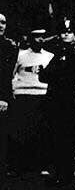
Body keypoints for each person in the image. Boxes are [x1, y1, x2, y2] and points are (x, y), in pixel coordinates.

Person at [39, 23, 75, 185]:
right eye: (63, 32)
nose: (66, 35)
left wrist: (54, 73)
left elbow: (68, 74)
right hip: (55, 98)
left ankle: (66, 173)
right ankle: (58, 171)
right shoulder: (58, 53)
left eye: (69, 32)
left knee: (67, 135)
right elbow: (43, 75)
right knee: (56, 136)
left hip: (68, 99)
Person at [9, 29, 54, 176]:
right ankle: (22, 166)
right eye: (36, 37)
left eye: (42, 37)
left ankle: (41, 164)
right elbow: (12, 74)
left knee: (41, 131)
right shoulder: (20, 55)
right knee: (23, 131)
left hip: (42, 94)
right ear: (30, 39)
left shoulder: (49, 56)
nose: (39, 40)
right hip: (23, 94)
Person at [0, 13, 17, 177]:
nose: (0, 25)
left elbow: (6, 75)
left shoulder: (9, 46)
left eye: (3, 22)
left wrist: (4, 97)